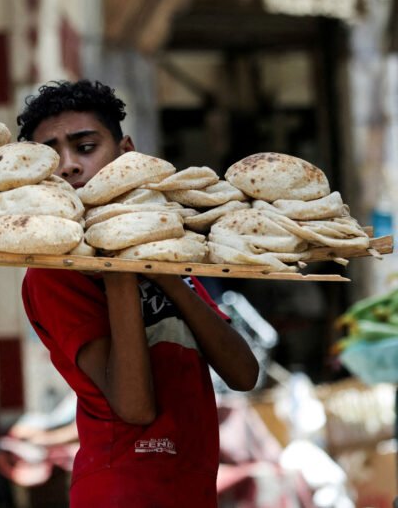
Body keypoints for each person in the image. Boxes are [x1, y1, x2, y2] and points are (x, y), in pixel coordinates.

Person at [17, 80, 260, 507]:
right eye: (51, 158)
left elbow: (243, 374)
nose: (69, 166)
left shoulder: (163, 248)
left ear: (126, 152)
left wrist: (164, 270)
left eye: (86, 147)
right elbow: (135, 407)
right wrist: (118, 272)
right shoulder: (54, 274)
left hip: (191, 486)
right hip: (121, 488)